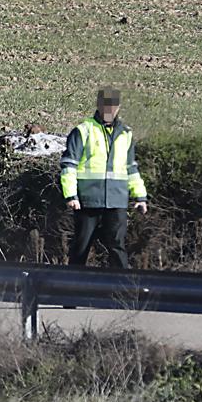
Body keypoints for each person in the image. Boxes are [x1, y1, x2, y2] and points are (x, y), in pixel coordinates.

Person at [60, 87, 148, 268]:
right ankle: (71, 286)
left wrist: (140, 196)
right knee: (81, 247)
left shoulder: (126, 133)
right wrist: (71, 196)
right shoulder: (84, 130)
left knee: (118, 247)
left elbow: (131, 168)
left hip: (116, 200)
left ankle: (124, 290)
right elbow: (69, 165)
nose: (110, 109)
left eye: (113, 106)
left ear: (118, 107)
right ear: (98, 105)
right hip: (88, 200)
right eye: (106, 105)